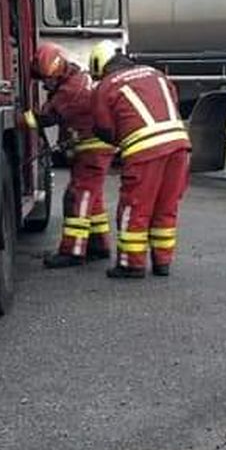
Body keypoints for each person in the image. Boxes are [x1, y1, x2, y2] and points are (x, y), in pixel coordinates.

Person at [88, 40, 192, 278]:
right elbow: (172, 104)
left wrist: (119, 140)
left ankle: (131, 264)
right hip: (179, 146)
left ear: (100, 66)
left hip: (145, 152)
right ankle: (162, 263)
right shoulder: (157, 74)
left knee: (135, 208)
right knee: (166, 207)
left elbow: (104, 127)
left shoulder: (105, 86)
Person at [19, 42, 115, 268]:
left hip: (91, 150)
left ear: (56, 69)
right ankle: (99, 245)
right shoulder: (77, 78)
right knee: (94, 198)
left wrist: (18, 120)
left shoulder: (69, 91)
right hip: (96, 148)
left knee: (76, 196)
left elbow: (44, 118)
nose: (46, 84)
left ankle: (72, 251)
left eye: (46, 80)